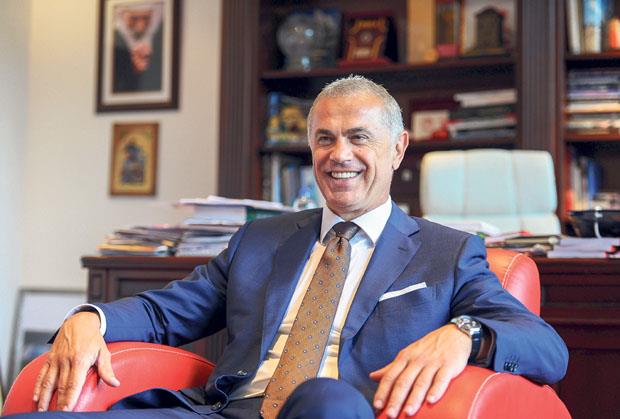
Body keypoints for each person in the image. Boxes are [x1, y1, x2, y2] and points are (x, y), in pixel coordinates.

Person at [8, 76, 568, 419]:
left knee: (326, 399)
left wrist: (465, 333)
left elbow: (546, 347)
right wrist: (91, 318)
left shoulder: (448, 252)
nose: (339, 154)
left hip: (337, 409)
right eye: (324, 138)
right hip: (223, 412)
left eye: (359, 137)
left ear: (398, 149)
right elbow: (165, 312)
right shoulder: (260, 240)